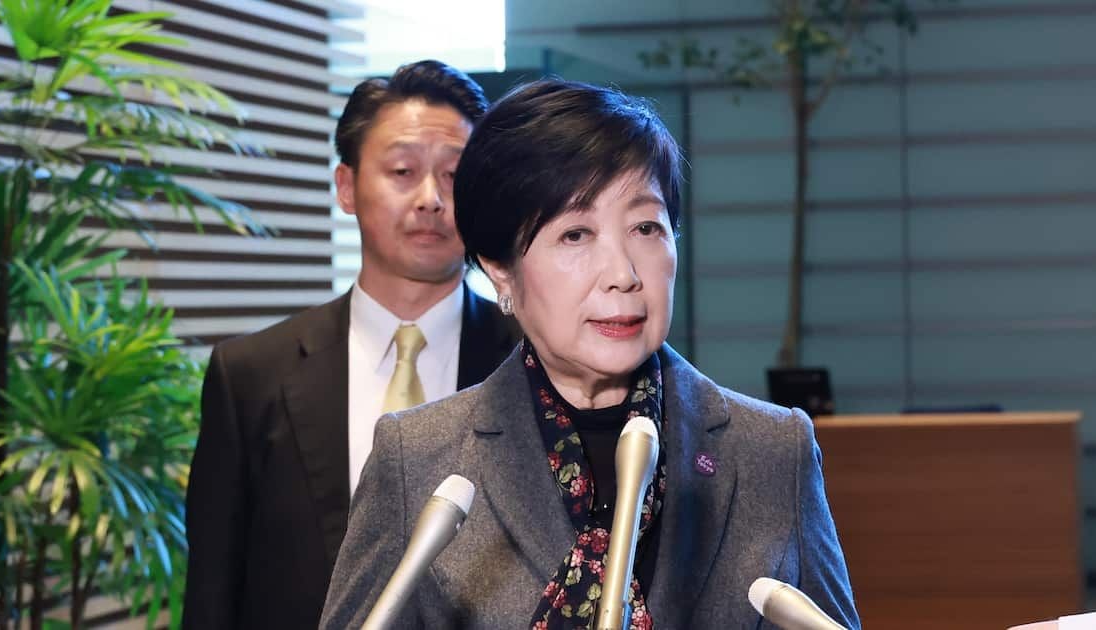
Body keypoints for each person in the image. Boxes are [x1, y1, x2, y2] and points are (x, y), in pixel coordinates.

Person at [319, 79, 860, 629]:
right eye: (576, 234)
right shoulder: (416, 458)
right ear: (501, 268)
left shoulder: (774, 450)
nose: (623, 274)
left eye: (645, 227)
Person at [183, 60, 519, 630]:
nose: (431, 198)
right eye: (403, 171)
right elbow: (212, 596)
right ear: (346, 187)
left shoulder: (533, 361)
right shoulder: (250, 377)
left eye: (454, 176)